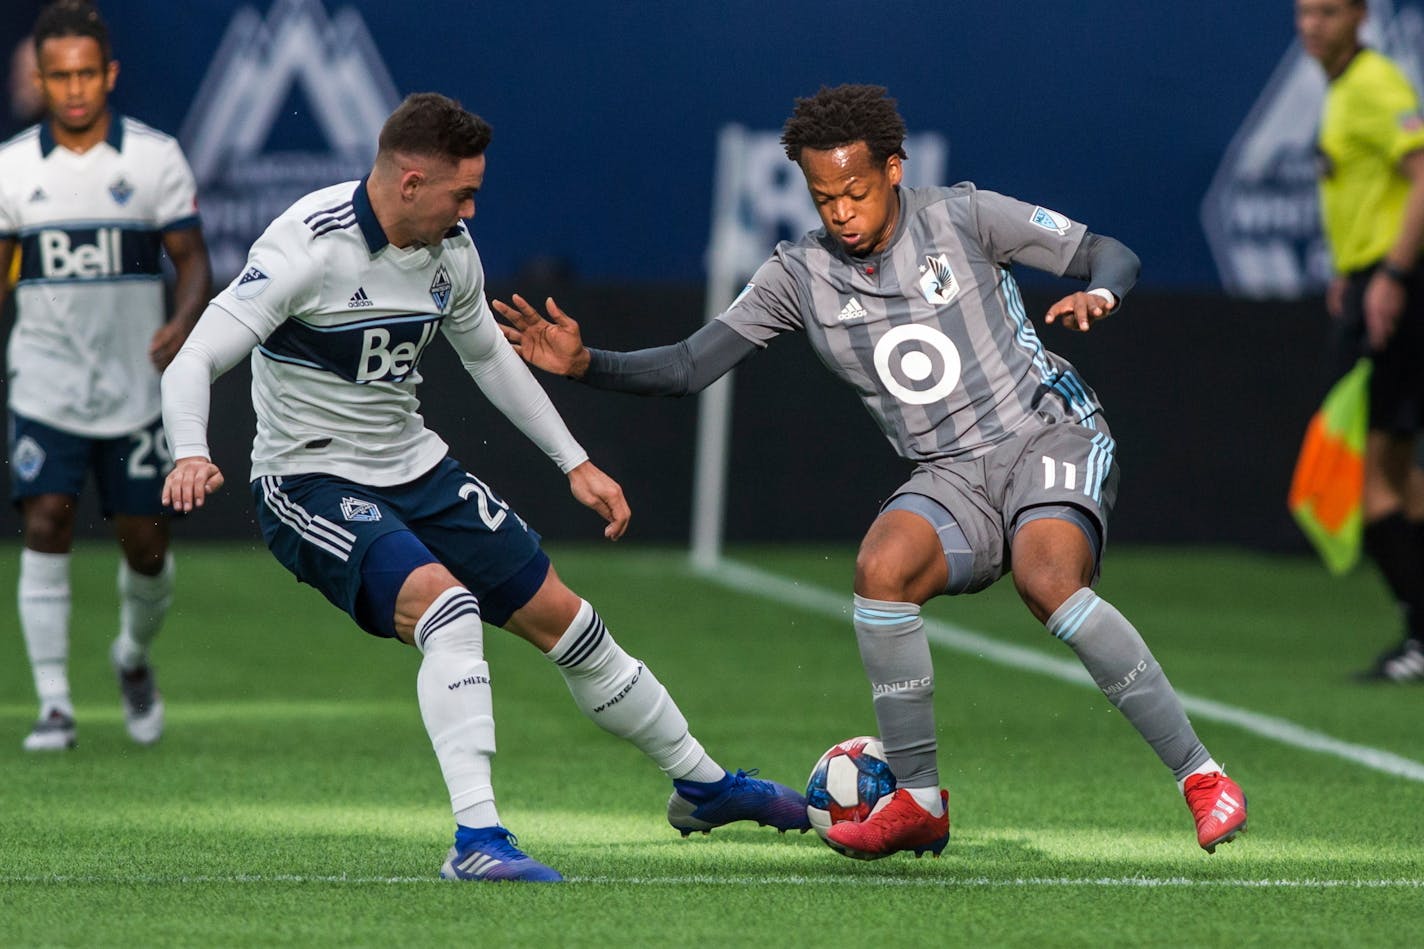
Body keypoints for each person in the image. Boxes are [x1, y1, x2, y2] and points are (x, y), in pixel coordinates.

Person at [496, 84, 1250, 859]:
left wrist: (1101, 291)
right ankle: (920, 801)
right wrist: (587, 364)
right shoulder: (799, 274)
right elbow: (691, 364)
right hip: (950, 474)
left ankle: (1201, 775)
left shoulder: (965, 216)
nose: (842, 212)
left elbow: (1107, 252)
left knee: (1047, 577)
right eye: (825, 198)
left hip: (1046, 431)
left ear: (895, 169)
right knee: (880, 566)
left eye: (856, 191)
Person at [159, 92, 808, 883]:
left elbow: (492, 360)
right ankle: (476, 839)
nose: (471, 208)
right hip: (310, 480)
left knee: (572, 624)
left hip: (418, 469)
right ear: (407, 183)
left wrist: (575, 462)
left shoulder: (450, 250)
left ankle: (702, 783)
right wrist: (190, 449)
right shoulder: (306, 246)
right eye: (460, 192)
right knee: (447, 608)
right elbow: (195, 358)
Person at [0, 0, 211, 751]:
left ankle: (131, 654)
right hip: (46, 384)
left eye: (88, 72)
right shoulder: (13, 169)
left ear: (110, 73)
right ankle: (55, 703)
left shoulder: (153, 158)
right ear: (40, 78)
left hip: (135, 390)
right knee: (46, 521)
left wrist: (183, 322)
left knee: (145, 545)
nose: (76, 88)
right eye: (59, 75)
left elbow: (193, 261)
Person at [1298, 0, 1424, 682]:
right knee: (1398, 472)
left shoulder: (1377, 84)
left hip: (1397, 288)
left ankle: (1420, 635)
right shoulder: (1345, 87)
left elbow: (1422, 177)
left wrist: (1393, 273)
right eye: (1303, 11)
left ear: (1359, 15)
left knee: (1367, 475)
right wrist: (1355, 270)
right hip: (1372, 281)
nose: (1311, 24)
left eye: (1327, 11)